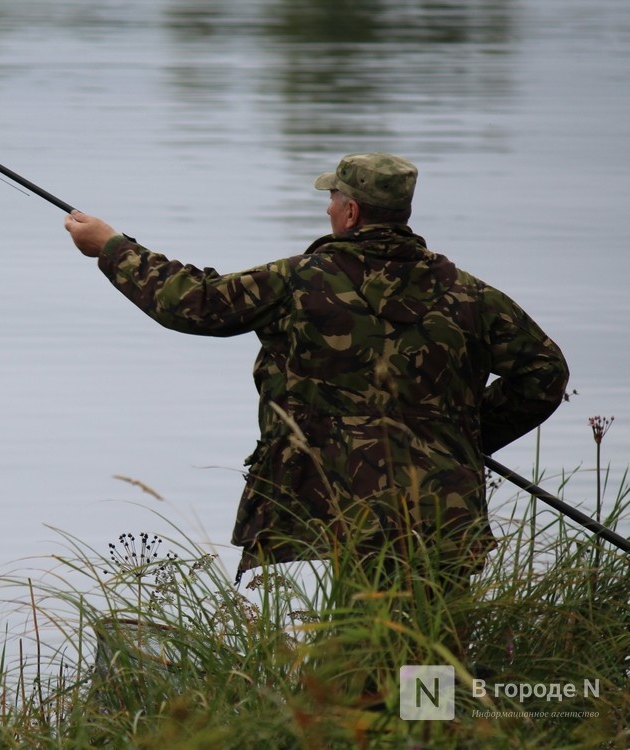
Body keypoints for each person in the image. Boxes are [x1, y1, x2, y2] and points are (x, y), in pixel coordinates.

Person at [64, 153, 569, 590]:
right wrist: (463, 437)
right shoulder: (471, 296)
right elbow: (545, 373)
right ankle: (424, 704)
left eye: (333, 199)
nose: (328, 208)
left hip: (344, 506)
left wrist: (112, 247)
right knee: (432, 650)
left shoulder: (300, 281)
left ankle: (377, 704)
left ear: (351, 212)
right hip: (445, 506)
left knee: (364, 650)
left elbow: (194, 304)